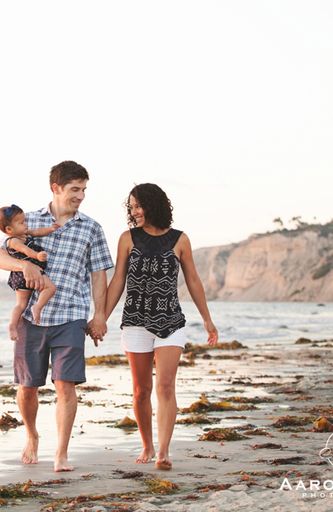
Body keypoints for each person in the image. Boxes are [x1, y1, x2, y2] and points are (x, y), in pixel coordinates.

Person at [0, 161, 114, 472]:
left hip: (71, 315)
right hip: (31, 320)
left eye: (84, 189)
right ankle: (32, 435)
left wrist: (99, 316)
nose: (81, 196)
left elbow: (100, 276)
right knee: (27, 386)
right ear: (56, 188)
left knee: (65, 386)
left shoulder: (92, 228)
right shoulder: (25, 221)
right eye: (75, 189)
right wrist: (25, 266)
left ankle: (61, 453)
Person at [102, 183, 218, 471]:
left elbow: (192, 280)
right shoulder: (127, 239)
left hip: (170, 320)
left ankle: (163, 451)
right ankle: (147, 445)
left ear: (153, 205)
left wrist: (207, 318)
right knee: (141, 389)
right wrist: (101, 316)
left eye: (139, 206)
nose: (134, 212)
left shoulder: (180, 240)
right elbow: (118, 280)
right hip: (136, 321)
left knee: (165, 386)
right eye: (131, 207)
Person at [0, 204, 60, 340]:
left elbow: (37, 232)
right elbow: (25, 251)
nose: (25, 224)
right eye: (21, 222)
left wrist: (50, 229)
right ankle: (37, 307)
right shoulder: (12, 241)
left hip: (19, 278)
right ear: (9, 229)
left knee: (21, 304)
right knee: (50, 288)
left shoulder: (23, 234)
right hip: (28, 273)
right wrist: (37, 255)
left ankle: (13, 324)